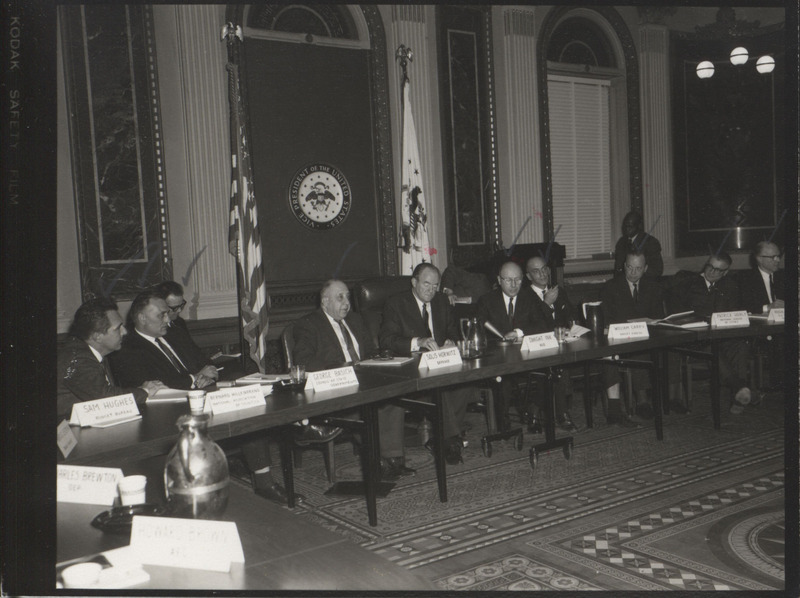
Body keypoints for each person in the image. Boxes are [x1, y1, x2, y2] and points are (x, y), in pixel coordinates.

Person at [110, 289, 316, 505]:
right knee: (243, 405)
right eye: (160, 315)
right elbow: (152, 386)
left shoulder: (174, 333)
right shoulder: (127, 347)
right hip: (172, 408)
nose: (167, 319)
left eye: (166, 313)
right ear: (142, 318)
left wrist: (207, 373)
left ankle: (267, 474)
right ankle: (278, 452)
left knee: (246, 388)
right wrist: (193, 378)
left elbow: (202, 361)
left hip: (203, 393)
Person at [292, 280, 411, 481]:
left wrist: (382, 358)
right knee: (369, 406)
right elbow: (304, 361)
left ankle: (392, 460)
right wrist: (342, 368)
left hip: (364, 382)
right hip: (336, 388)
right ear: (324, 302)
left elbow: (370, 352)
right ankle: (378, 461)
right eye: (340, 297)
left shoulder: (355, 320)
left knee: (393, 399)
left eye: (347, 297)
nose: (346, 302)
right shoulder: (308, 324)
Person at [379, 263, 475, 465]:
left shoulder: (441, 301)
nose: (431, 290)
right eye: (426, 284)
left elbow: (452, 331)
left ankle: (443, 438)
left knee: (464, 383)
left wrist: (451, 341)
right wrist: (418, 342)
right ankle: (450, 440)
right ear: (414, 282)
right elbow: (387, 340)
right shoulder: (396, 303)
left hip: (440, 364)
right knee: (442, 386)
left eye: (435, 285)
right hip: (411, 369)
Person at [57, 298, 165, 419]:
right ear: (97, 336)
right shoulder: (78, 359)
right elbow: (105, 398)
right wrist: (145, 391)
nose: (124, 332)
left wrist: (141, 390)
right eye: (118, 328)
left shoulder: (91, 350)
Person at [675, 252, 752, 414]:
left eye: (718, 270)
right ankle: (739, 387)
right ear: (706, 264)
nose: (712, 272)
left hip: (721, 336)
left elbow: (734, 314)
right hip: (696, 338)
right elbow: (678, 313)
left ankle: (738, 395)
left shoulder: (730, 286)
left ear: (725, 272)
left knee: (740, 345)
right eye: (710, 267)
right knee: (713, 348)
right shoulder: (688, 284)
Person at [601, 252, 664, 425]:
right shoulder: (611, 287)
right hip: (618, 339)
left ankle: (642, 401)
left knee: (641, 347)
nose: (633, 272)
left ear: (645, 269)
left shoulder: (653, 287)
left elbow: (659, 317)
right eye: (629, 267)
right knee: (610, 354)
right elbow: (606, 319)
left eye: (638, 268)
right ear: (623, 266)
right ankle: (615, 408)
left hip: (643, 339)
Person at [523, 256, 579, 432]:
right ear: (528, 276)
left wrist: (573, 326)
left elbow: (571, 315)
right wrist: (546, 303)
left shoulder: (558, 291)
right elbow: (530, 327)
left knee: (561, 361)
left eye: (544, 268)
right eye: (536, 271)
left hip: (562, 344)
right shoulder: (524, 296)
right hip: (535, 348)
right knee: (556, 366)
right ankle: (560, 413)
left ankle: (540, 409)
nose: (542, 273)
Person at [613, 211, 663, 278]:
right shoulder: (621, 242)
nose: (627, 229)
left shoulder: (651, 242)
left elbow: (657, 270)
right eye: (625, 226)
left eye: (630, 226)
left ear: (639, 226)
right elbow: (618, 269)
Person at [738, 241, 784, 314]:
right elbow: (741, 307)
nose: (778, 260)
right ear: (759, 259)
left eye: (778, 256)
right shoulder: (744, 279)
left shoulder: (785, 277)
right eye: (773, 257)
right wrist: (767, 307)